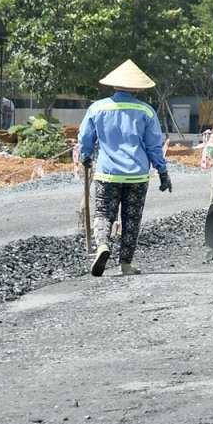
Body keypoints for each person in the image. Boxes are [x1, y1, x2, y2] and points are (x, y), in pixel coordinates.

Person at [77, 59, 171, 277]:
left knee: (103, 213)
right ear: (137, 88)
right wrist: (163, 172)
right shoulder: (146, 111)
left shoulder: (97, 108)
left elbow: (85, 138)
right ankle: (126, 264)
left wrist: (85, 157)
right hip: (137, 176)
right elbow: (154, 146)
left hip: (106, 174)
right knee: (131, 219)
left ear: (113, 85)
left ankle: (102, 245)